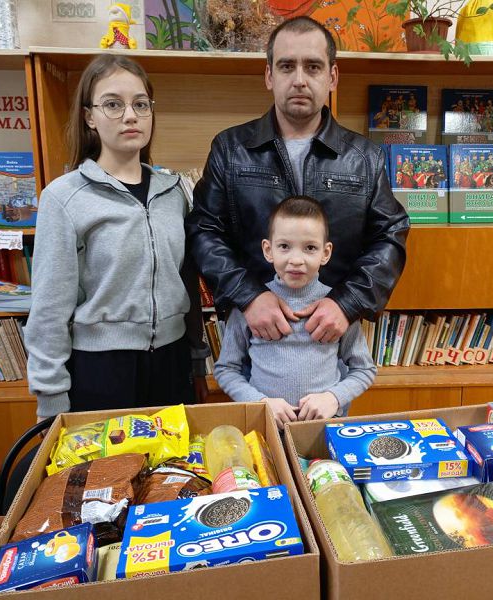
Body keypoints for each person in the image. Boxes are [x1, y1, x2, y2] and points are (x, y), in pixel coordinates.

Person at [187, 16, 409, 349]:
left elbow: (389, 236)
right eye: (287, 66)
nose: (300, 80)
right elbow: (204, 231)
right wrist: (249, 297)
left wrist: (346, 304)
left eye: (313, 67)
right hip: (254, 337)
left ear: (332, 77)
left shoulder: (365, 158)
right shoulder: (231, 150)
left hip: (331, 341)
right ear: (269, 75)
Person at [25, 54, 208, 422]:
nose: (130, 116)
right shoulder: (64, 197)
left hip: (172, 363)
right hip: (101, 370)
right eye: (113, 104)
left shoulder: (174, 192)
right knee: (109, 460)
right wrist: (51, 398)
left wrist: (197, 359)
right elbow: (49, 308)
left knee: (174, 460)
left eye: (141, 104)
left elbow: (186, 282)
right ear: (89, 116)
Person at [214, 196, 376, 428]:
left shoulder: (337, 309)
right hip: (266, 425)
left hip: (324, 427)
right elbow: (226, 369)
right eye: (284, 246)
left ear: (325, 253)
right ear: (268, 250)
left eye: (310, 248)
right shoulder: (249, 308)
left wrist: (333, 398)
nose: (296, 260)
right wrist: (260, 403)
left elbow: (364, 369)